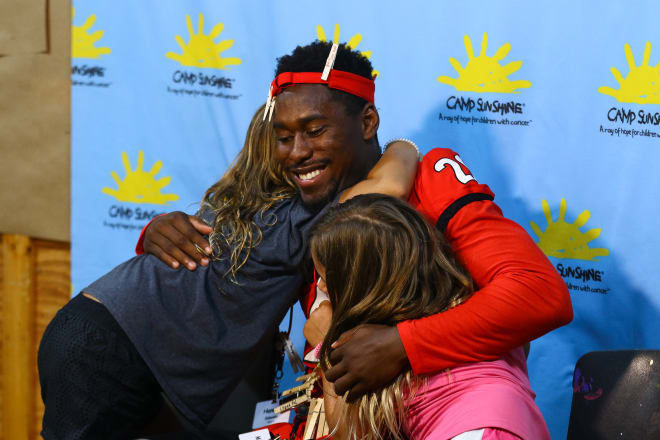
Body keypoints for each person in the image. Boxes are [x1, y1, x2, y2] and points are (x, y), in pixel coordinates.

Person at [146, 40, 572, 403]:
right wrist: (159, 232)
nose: (296, 152)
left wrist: (403, 345)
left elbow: (538, 295)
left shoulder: (430, 177)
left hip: (447, 409)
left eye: (315, 130)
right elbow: (226, 269)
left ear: (368, 122)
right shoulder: (295, 204)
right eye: (284, 136)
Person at [37, 103, 419, 438]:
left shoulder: (239, 204)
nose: (303, 150)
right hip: (108, 350)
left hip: (92, 328)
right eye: (289, 139)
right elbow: (388, 186)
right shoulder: (298, 219)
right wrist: (405, 146)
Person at [309, 194, 550, 440]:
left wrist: (330, 345)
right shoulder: (464, 321)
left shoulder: (479, 430)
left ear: (363, 288)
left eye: (326, 279)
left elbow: (347, 435)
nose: (322, 288)